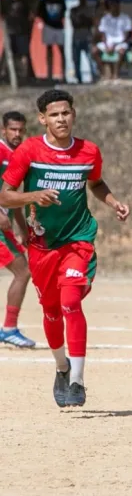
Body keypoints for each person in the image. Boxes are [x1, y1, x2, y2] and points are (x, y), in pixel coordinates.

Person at [0, 89, 130, 408]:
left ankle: (78, 380)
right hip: (42, 245)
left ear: (74, 115)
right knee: (51, 311)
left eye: (66, 113)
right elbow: (5, 195)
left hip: (78, 239)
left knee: (71, 301)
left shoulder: (89, 151)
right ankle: (62, 368)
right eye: (54, 114)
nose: (61, 119)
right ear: (43, 119)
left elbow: (95, 183)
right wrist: (34, 196)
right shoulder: (29, 150)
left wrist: (113, 202)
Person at [0, 112, 34, 348]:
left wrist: (24, 230)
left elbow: (15, 200)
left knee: (23, 271)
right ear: (4, 130)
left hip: (6, 227)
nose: (17, 134)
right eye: (13, 129)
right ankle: (9, 329)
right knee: (23, 272)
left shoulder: (19, 156)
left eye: (21, 130)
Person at [92, 0, 132, 82]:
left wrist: (114, 45)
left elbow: (126, 36)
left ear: (119, 6)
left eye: (116, 5)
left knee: (121, 51)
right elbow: (103, 35)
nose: (114, 7)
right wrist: (107, 45)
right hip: (107, 43)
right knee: (94, 51)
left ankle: (115, 74)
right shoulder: (105, 18)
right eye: (112, 5)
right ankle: (104, 74)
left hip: (120, 43)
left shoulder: (125, 18)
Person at [38, 0, 67, 81]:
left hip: (58, 27)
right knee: (49, 50)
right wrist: (47, 20)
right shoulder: (44, 1)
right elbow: (40, 13)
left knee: (61, 50)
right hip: (48, 27)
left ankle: (63, 74)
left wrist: (57, 19)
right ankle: (49, 74)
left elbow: (63, 12)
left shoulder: (61, 0)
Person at [69, 0, 95, 84]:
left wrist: (82, 19)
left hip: (87, 37)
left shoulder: (90, 9)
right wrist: (84, 19)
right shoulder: (74, 10)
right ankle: (78, 78)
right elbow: (75, 23)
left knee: (91, 58)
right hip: (76, 38)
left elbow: (91, 23)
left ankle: (94, 77)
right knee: (76, 59)